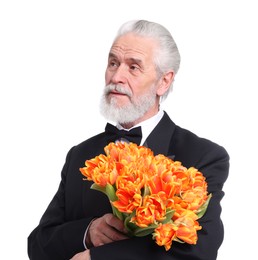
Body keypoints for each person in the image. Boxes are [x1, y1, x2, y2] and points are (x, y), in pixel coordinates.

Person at [28, 20, 229, 260]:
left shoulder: (202, 156)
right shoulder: (80, 154)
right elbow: (38, 245)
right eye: (113, 63)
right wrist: (88, 232)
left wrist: (96, 257)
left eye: (133, 67)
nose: (117, 76)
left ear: (164, 81)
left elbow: (198, 251)